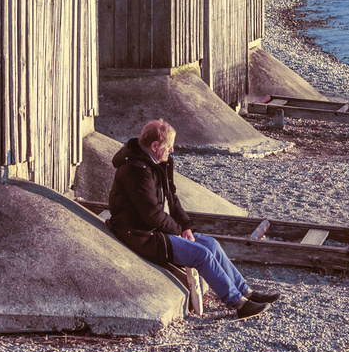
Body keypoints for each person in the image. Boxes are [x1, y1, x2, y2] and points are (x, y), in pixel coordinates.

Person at [108, 119, 280, 319]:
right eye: (169, 146)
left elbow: (172, 198)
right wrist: (178, 232)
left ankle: (246, 292)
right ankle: (238, 304)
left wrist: (185, 227)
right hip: (141, 234)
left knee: (212, 244)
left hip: (157, 229)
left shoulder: (158, 162)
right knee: (202, 254)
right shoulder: (136, 170)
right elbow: (151, 214)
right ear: (155, 146)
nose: (172, 150)